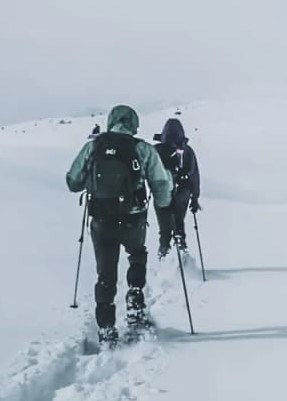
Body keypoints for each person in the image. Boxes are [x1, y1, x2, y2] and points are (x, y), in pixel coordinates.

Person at [65, 105, 172, 344]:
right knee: (137, 255)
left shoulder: (93, 146)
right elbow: (161, 184)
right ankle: (135, 308)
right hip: (133, 216)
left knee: (106, 272)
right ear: (134, 124)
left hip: (101, 219)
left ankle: (106, 327)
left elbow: (73, 182)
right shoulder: (142, 148)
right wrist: (165, 205)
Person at [153, 117, 201, 258]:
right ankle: (182, 251)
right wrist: (195, 198)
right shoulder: (188, 151)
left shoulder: (157, 150)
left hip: (161, 192)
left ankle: (164, 254)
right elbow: (195, 176)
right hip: (183, 192)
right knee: (179, 221)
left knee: (164, 227)